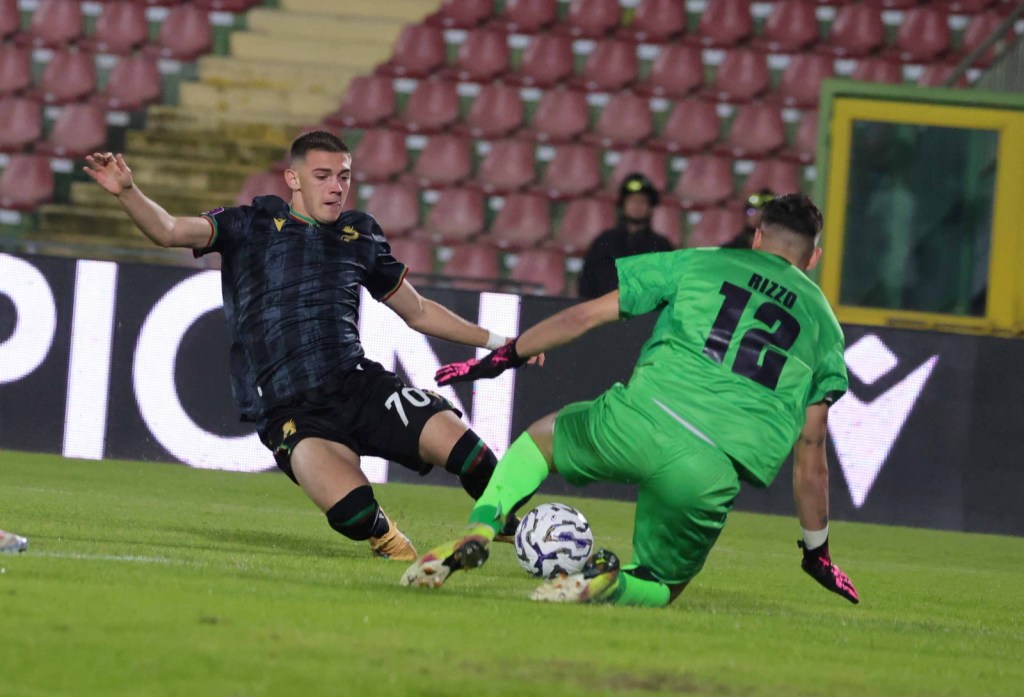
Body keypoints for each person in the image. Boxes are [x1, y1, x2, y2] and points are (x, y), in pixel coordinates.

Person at [83, 130, 529, 562]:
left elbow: (419, 312)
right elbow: (169, 231)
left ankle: (521, 534)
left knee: (473, 455)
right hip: (293, 412)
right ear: (292, 179)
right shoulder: (250, 224)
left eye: (344, 176)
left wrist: (501, 343)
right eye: (323, 176)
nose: (337, 188)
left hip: (360, 387)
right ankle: (385, 535)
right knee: (353, 514)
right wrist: (127, 191)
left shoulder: (361, 235)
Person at [402, 193, 860, 608]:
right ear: (813, 257)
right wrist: (816, 550)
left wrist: (506, 355)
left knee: (538, 443)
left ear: (758, 238)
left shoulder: (702, 262)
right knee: (663, 584)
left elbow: (586, 314)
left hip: (639, 419)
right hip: (710, 467)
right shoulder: (825, 330)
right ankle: (609, 584)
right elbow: (812, 451)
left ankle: (481, 527)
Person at [577, 173, 674, 299]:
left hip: (646, 316)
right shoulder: (604, 242)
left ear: (650, 207)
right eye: (632, 201)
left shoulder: (662, 246)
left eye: (642, 202)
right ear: (623, 205)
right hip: (604, 314)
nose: (637, 206)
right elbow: (586, 284)